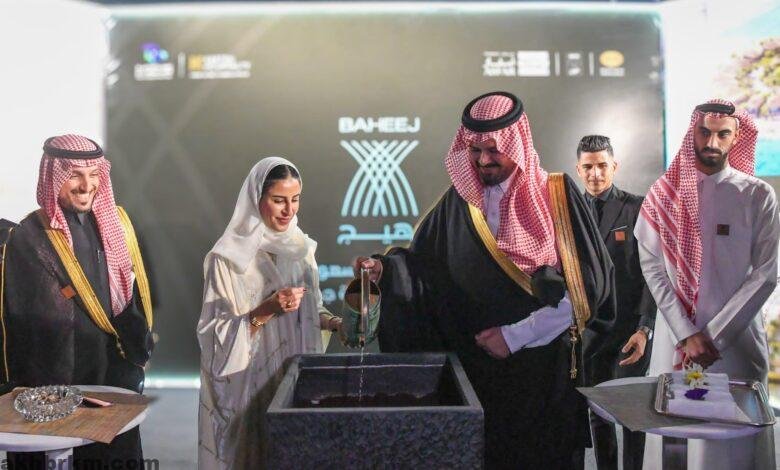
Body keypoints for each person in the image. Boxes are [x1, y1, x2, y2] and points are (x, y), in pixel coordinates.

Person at [355, 91, 616, 469]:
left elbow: (586, 289)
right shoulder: (460, 201)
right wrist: (387, 272)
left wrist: (513, 336)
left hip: (540, 376)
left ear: (516, 142)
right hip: (478, 376)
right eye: (474, 150)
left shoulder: (557, 195)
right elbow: (424, 269)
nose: (483, 160)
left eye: (493, 150)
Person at [636, 100, 778, 470]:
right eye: (704, 132)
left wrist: (713, 337)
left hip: (735, 344)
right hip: (674, 340)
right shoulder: (662, 194)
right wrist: (686, 333)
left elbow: (766, 273)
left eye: (722, 134)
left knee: (732, 450)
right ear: (692, 132)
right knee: (673, 441)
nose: (712, 142)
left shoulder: (757, 195)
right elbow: (653, 269)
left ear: (736, 138)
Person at [1, 134, 154, 469]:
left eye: (94, 174)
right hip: (56, 385)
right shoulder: (29, 237)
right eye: (74, 175)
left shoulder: (115, 225)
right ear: (53, 176)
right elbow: (32, 324)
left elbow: (127, 301)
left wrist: (133, 359)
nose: (87, 185)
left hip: (111, 377)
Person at [197, 157, 343, 469]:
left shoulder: (301, 249)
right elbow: (213, 335)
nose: (289, 210)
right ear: (256, 198)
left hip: (293, 382)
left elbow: (312, 308)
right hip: (249, 389)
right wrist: (265, 311)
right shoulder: (227, 259)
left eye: (295, 199)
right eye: (278, 200)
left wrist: (334, 323)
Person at [575, 135, 656, 470]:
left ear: (614, 166)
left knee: (634, 414)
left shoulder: (637, 207)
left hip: (629, 333)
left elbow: (652, 273)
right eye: (588, 167)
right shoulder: (568, 213)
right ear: (578, 169)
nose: (595, 173)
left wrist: (645, 328)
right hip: (589, 333)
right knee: (599, 414)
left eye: (602, 165)